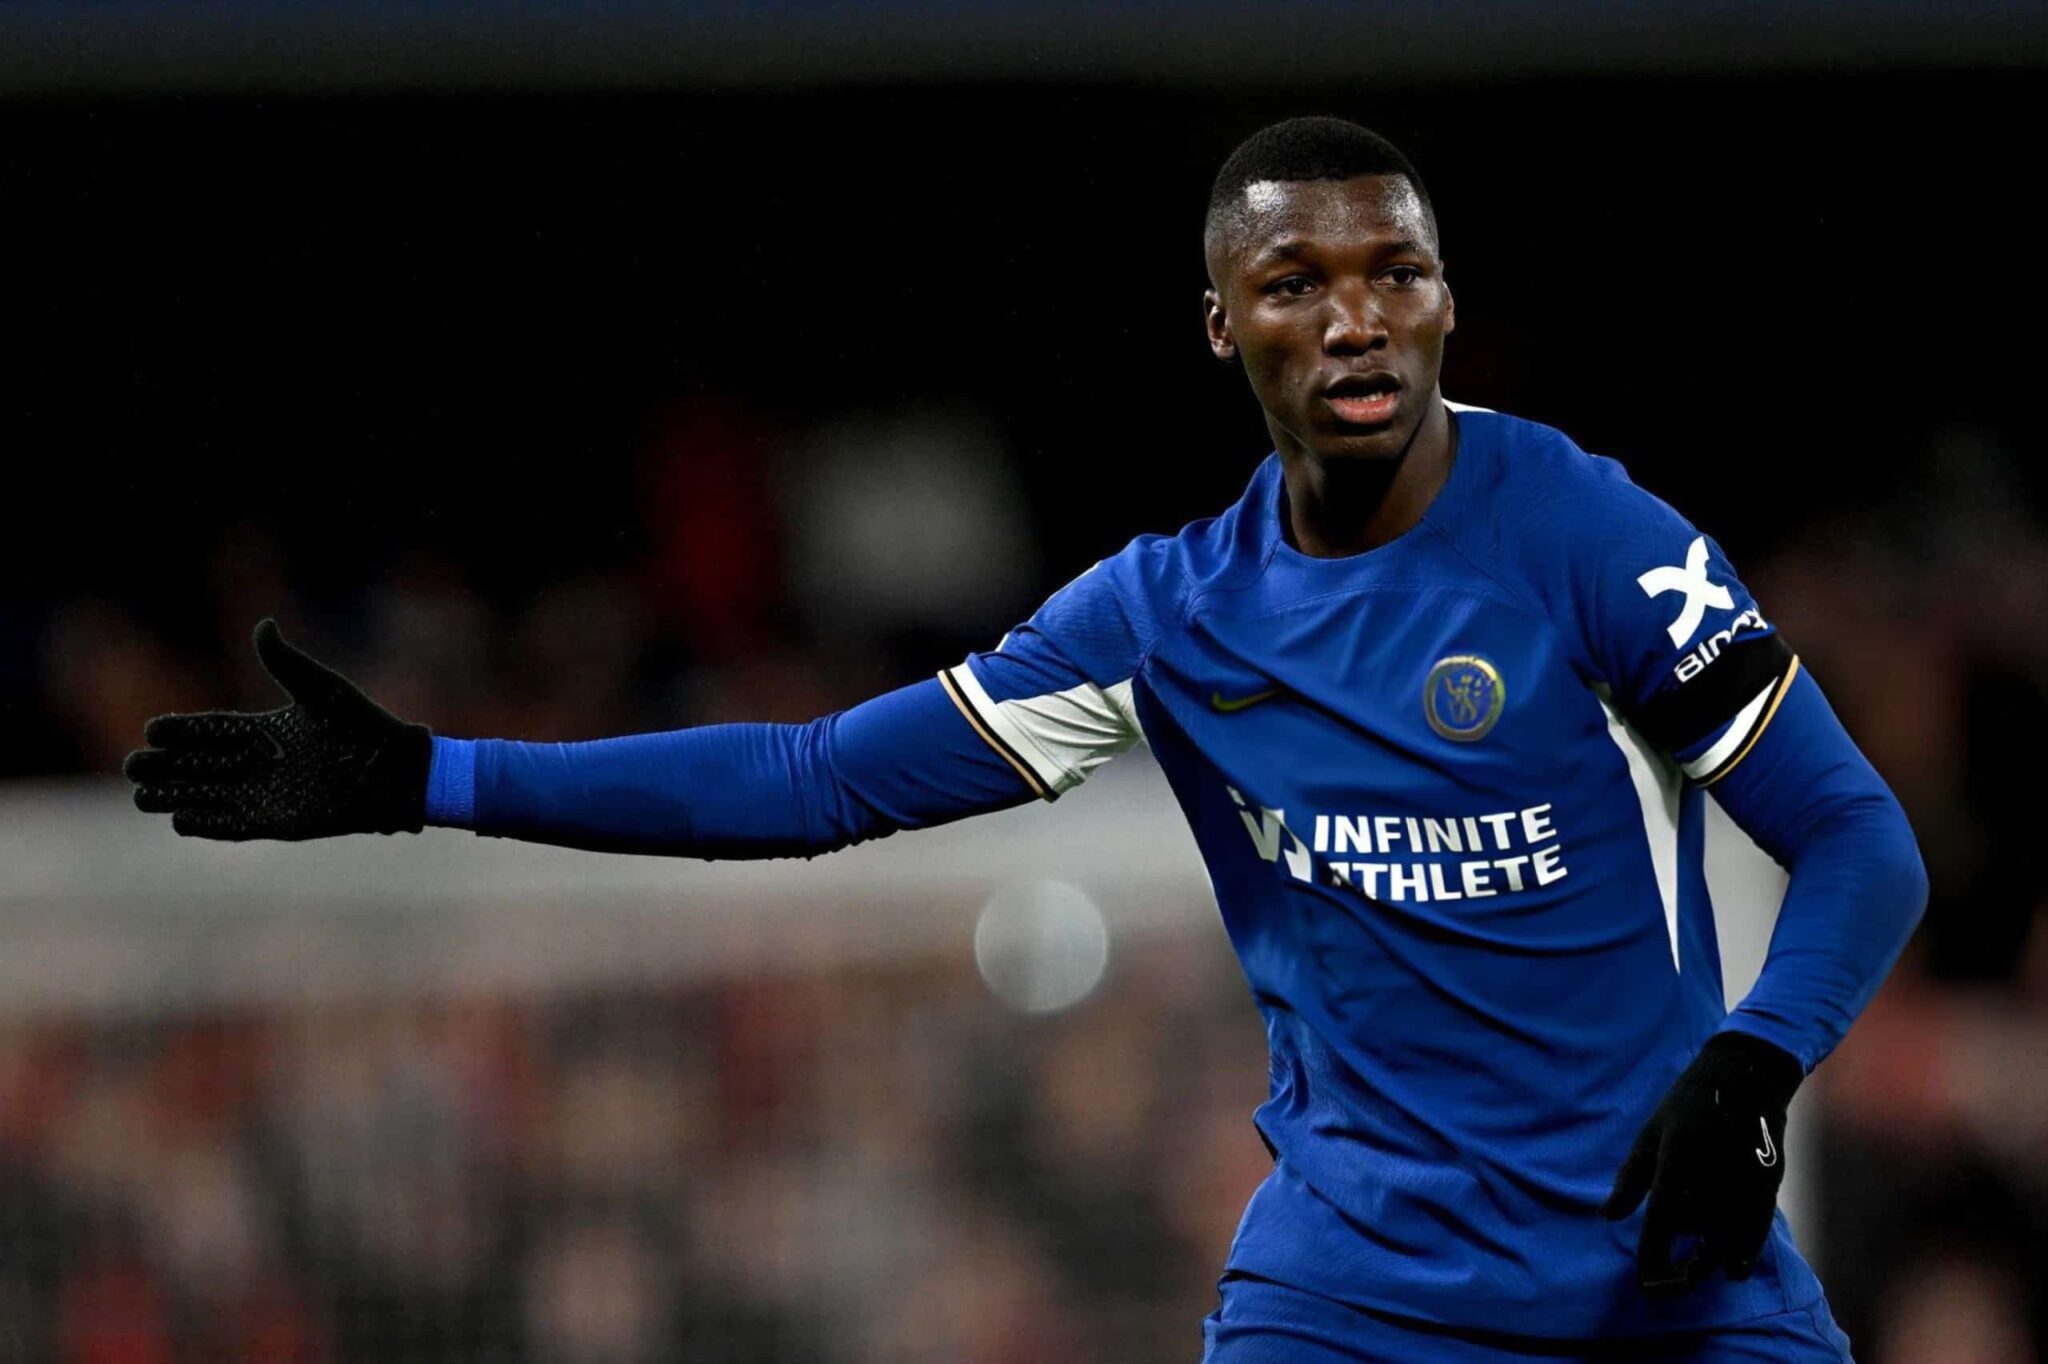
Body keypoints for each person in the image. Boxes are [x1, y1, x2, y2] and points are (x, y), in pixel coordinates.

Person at [126, 117, 1925, 1361]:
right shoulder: (1167, 617)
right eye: (1296, 280)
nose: (1354, 316)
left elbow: (1857, 836)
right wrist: (433, 777)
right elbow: (821, 781)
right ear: (1223, 325)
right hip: (1359, 1299)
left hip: (1667, 1281)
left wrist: (1753, 1063)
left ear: (1448, 301)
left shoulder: (1592, 539)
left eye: (1396, 272)